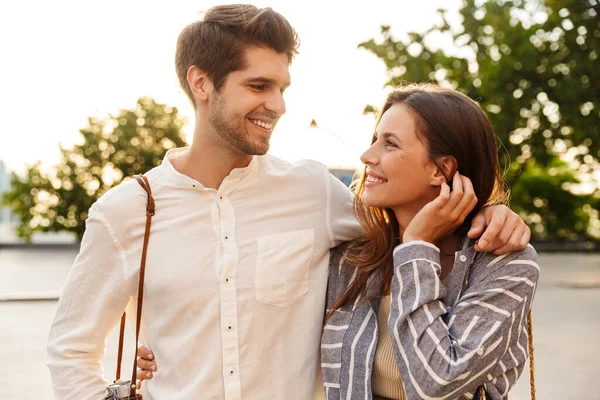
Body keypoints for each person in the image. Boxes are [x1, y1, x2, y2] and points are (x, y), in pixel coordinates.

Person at [46, 5, 531, 400]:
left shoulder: (314, 192)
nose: (277, 105)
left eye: (282, 88)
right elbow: (70, 351)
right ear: (201, 84)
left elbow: (403, 228)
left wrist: (489, 213)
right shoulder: (126, 211)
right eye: (258, 86)